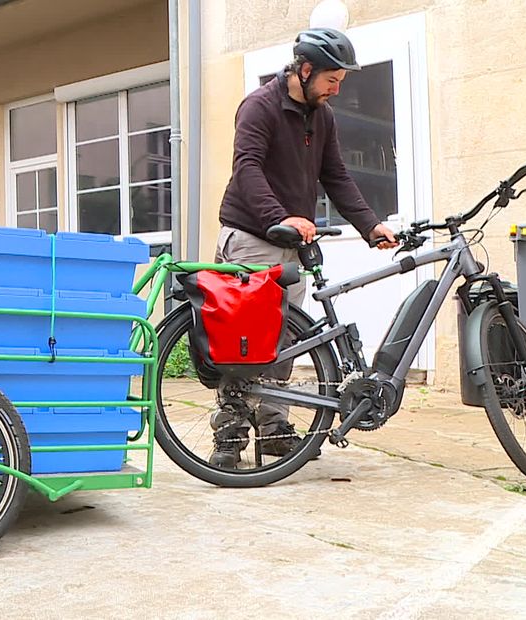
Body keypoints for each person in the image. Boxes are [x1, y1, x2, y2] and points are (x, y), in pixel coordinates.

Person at [210, 27, 398, 468]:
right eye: (332, 80)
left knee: (285, 340)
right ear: (305, 69)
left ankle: (274, 429)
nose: (336, 90)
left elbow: (336, 175)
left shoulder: (322, 116)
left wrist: (370, 226)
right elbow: (247, 168)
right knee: (245, 341)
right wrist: (278, 217)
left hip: (290, 241)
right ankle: (230, 439)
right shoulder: (260, 107)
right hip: (252, 237)